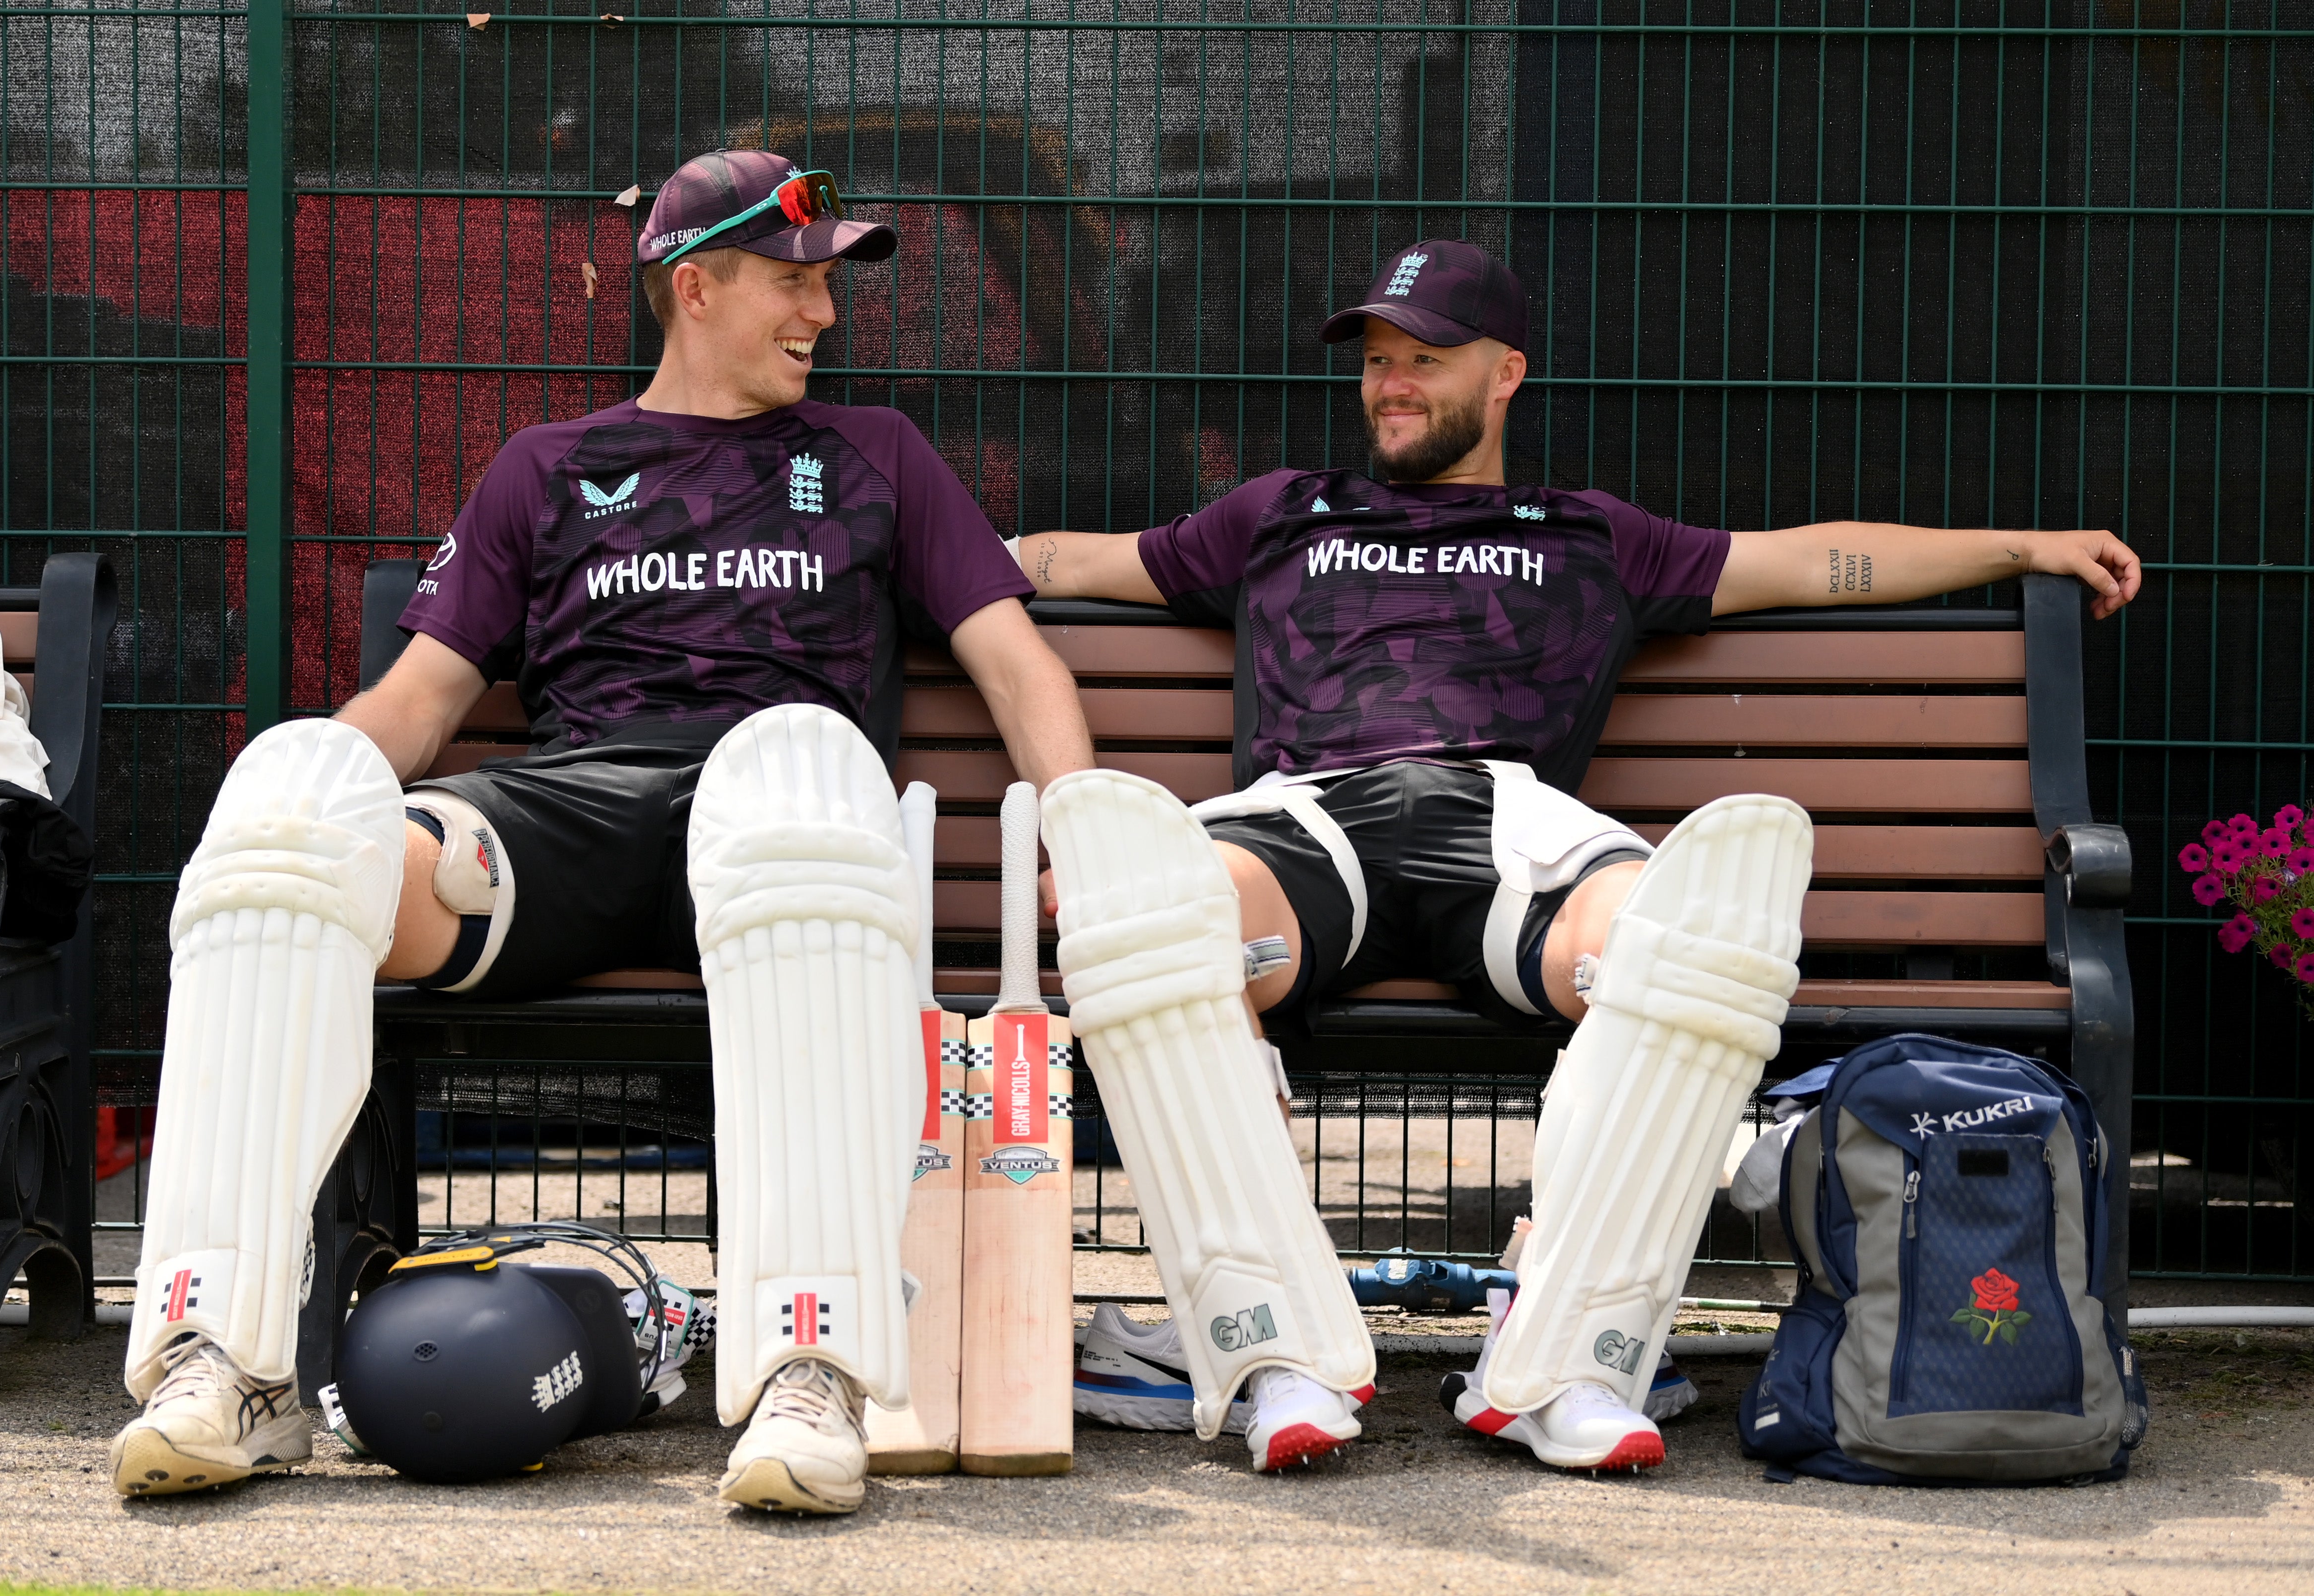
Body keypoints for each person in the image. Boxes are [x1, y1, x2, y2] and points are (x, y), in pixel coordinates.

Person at [1019, 238, 2142, 1471]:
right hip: (1308, 819)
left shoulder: (1588, 535)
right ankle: (1270, 1346)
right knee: (1150, 919)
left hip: (1512, 826)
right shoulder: (1282, 513)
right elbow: (1071, 563)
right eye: (1378, 361)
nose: (1391, 384)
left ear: (1504, 373)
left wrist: (2019, 547)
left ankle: (1561, 1358)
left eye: (1424, 361)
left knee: (1689, 949)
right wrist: (931, 565)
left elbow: (1808, 559)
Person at [111, 149, 1097, 1517]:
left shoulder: (874, 456)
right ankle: (217, 1357)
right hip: (570, 821)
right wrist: (305, 801)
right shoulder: (550, 468)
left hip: (776, 830)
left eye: (827, 284)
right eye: (795, 281)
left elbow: (1016, 665)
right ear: (696, 287)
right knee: (287, 797)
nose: (825, 311)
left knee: (804, 764)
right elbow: (417, 699)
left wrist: (1086, 836)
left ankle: (807, 1365)